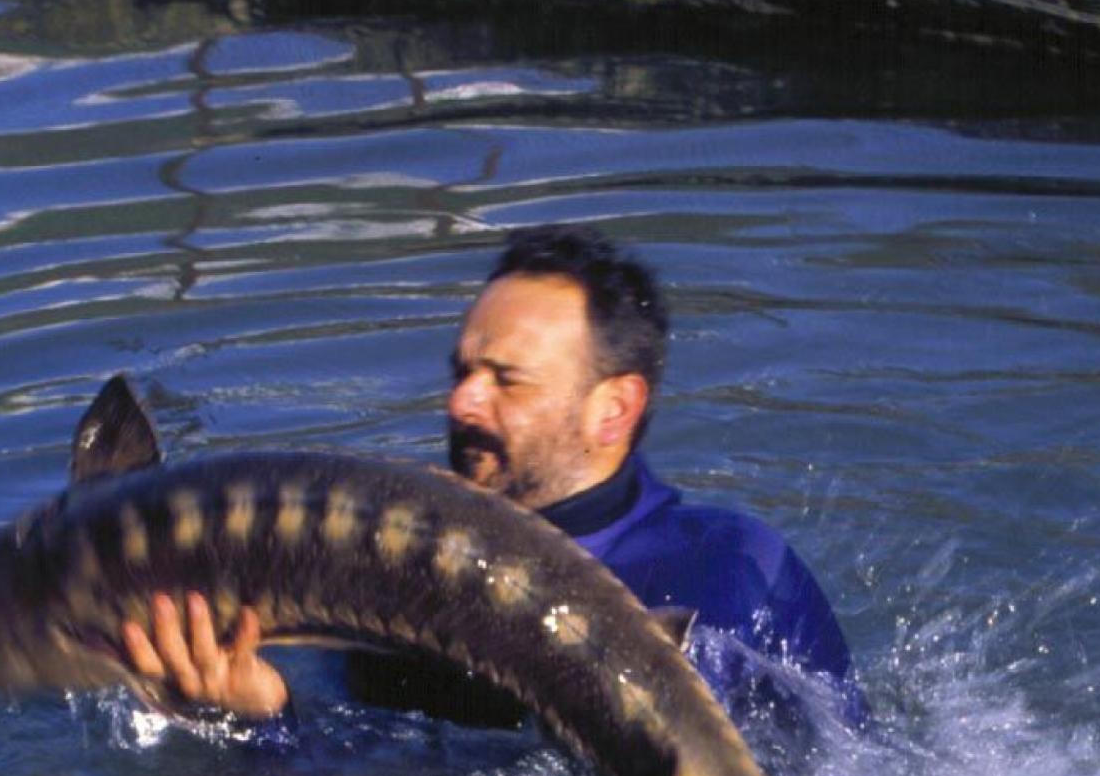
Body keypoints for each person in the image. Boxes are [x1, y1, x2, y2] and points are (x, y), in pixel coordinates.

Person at [119, 224, 863, 725]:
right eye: (461, 372)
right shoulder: (398, 572)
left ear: (614, 409)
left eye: (507, 380)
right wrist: (253, 719)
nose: (461, 402)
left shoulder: (724, 571)